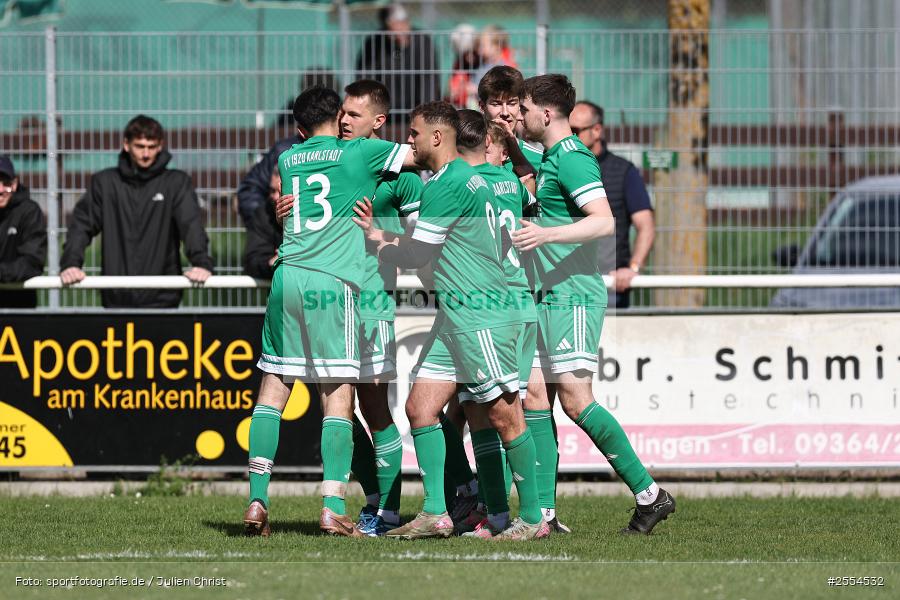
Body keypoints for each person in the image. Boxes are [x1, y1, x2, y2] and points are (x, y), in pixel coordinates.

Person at [353, 101, 549, 540]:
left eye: (413, 134)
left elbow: (420, 254)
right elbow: (436, 241)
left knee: (503, 415)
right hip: (457, 314)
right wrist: (382, 235)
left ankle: (534, 519)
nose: (409, 142)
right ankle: (436, 514)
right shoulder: (470, 179)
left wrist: (379, 246)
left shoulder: (448, 183)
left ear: (437, 137)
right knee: (420, 408)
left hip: (480, 313)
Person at [243, 86, 415, 538]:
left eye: (356, 114)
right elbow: (428, 154)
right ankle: (336, 505)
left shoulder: (287, 159)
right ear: (336, 115)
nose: (347, 122)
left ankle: (259, 498)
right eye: (344, 114)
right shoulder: (359, 154)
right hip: (336, 287)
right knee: (339, 399)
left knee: (274, 393)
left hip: (291, 279)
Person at [516, 74, 675, 534]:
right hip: (548, 293)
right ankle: (543, 515)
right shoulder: (550, 158)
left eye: (524, 109)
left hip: (574, 294)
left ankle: (650, 495)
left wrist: (546, 233)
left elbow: (604, 222)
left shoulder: (572, 159)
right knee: (535, 397)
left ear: (546, 114)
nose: (521, 116)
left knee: (576, 400)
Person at [59, 115, 213, 308]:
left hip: (163, 298)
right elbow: (81, 226)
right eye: (140, 146)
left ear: (160, 146)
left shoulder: (176, 183)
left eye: (152, 146)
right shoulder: (106, 183)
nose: (146, 154)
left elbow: (191, 226)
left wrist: (201, 263)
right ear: (126, 145)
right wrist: (71, 264)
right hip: (116, 297)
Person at [570, 100, 655, 309]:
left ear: (596, 130)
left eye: (576, 130)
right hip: (567, 285)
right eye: (567, 130)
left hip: (608, 287)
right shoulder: (560, 166)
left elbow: (646, 226)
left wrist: (633, 268)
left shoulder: (624, 171)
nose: (570, 136)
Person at [356, 3, 440, 121]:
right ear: (385, 27)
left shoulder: (422, 41)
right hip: (384, 113)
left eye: (403, 25)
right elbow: (365, 77)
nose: (399, 33)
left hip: (415, 111)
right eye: (393, 28)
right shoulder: (374, 42)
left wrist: (426, 113)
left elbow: (429, 80)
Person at [0, 155, 46, 308]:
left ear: (14, 184)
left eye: (5, 183)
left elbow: (32, 262)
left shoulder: (29, 212)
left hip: (18, 308)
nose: (0, 190)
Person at [243, 170, 282, 280]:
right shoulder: (264, 213)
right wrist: (272, 263)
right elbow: (252, 262)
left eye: (280, 191)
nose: (274, 197)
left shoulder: (315, 214)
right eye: (272, 190)